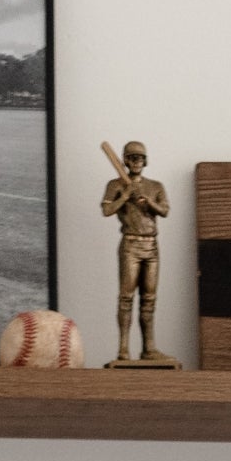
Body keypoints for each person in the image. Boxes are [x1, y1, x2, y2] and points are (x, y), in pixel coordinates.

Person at [101, 140, 174, 363]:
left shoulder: (156, 186)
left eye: (139, 158)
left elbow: (164, 211)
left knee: (149, 299)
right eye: (132, 158)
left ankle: (149, 349)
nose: (136, 162)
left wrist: (147, 201)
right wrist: (125, 195)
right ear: (125, 160)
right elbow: (106, 210)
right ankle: (123, 350)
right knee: (126, 298)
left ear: (145, 161)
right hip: (130, 245)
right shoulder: (115, 184)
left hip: (151, 246)